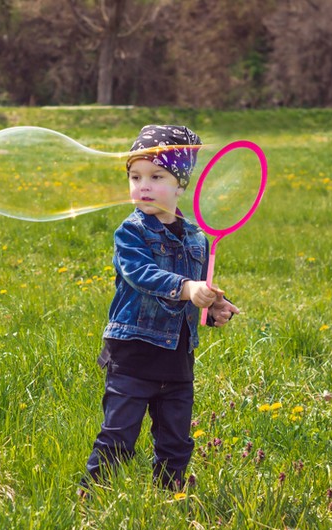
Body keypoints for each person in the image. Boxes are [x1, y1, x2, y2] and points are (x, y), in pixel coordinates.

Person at [80, 124, 239, 495]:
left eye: (156, 176)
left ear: (181, 186)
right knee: (118, 436)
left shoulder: (197, 236)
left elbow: (197, 288)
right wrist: (186, 288)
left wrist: (213, 304)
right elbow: (141, 274)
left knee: (176, 439)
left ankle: (169, 496)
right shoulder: (130, 232)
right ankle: (90, 497)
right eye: (135, 177)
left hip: (177, 357)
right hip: (134, 352)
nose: (143, 186)